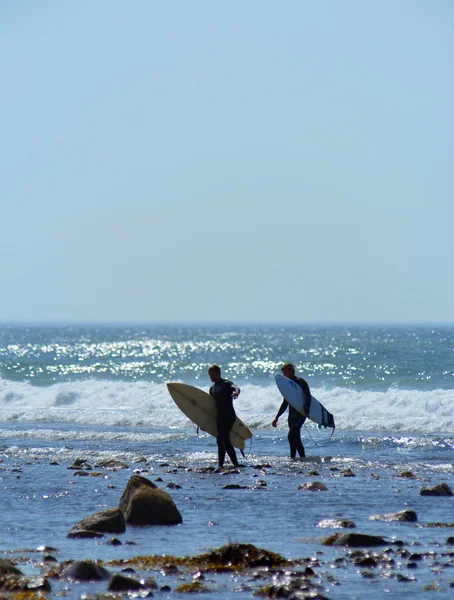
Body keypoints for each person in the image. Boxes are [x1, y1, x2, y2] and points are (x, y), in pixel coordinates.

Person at [272, 363, 311, 459]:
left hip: (301, 413)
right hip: (292, 414)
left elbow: (308, 395)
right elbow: (285, 402)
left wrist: (306, 408)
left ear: (291, 371)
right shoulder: (287, 384)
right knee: (295, 438)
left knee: (291, 436)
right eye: (283, 373)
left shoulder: (300, 382)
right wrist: (277, 417)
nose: (284, 375)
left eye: (285, 372)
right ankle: (294, 458)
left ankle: (300, 457)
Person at [208, 364, 240, 468]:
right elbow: (211, 407)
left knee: (221, 439)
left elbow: (236, 387)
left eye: (212, 375)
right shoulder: (212, 389)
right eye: (209, 375)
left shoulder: (226, 383)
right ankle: (235, 464)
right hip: (220, 417)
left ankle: (220, 465)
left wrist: (236, 393)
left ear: (218, 374)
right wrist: (203, 422)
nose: (211, 377)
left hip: (229, 415)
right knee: (225, 441)